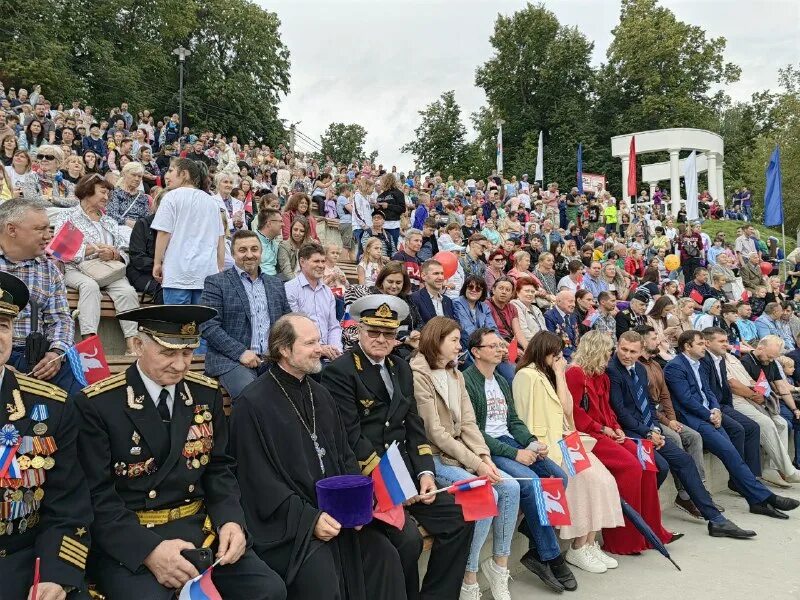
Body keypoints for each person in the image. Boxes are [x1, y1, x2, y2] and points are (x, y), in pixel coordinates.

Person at [74, 305, 286, 599]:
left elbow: (219, 470)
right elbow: (96, 494)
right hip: (133, 539)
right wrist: (149, 551)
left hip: (200, 531)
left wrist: (231, 522)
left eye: (187, 353)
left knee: (269, 589)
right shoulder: (99, 403)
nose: (180, 365)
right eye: (167, 352)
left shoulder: (205, 393)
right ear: (137, 345)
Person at [230, 314, 405, 599]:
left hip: (338, 515)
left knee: (384, 556)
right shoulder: (252, 404)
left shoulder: (321, 395)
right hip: (292, 525)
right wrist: (310, 520)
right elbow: (258, 482)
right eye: (310, 343)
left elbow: (344, 455)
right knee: (322, 577)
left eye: (319, 341)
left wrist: (357, 506)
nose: (320, 349)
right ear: (284, 350)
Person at [322, 296, 474, 600]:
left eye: (388, 333)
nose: (381, 339)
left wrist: (426, 474)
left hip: (405, 475)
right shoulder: (340, 372)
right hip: (372, 481)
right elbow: (351, 438)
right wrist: (393, 485)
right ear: (360, 331)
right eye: (373, 332)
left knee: (461, 517)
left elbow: (414, 426)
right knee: (408, 542)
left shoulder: (401, 368)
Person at [463, 328, 585, 592]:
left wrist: (530, 442)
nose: (500, 348)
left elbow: (513, 421)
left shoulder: (500, 380)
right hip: (490, 449)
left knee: (558, 477)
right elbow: (475, 432)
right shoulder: (467, 381)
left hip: (512, 441)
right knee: (531, 483)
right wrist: (516, 453)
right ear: (476, 352)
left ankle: (535, 537)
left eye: (501, 344)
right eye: (493, 345)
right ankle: (550, 555)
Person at [0, 272, 94, 599]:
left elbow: (68, 507)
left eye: (3, 325)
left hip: (25, 563)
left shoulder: (51, 407)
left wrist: (56, 574)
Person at [607, 331, 754, 537]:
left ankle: (716, 520)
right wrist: (648, 432)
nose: (627, 355)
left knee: (684, 461)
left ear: (640, 351)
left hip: (649, 430)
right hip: (630, 432)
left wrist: (655, 428)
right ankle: (639, 519)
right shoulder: (612, 370)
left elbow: (648, 403)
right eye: (623, 349)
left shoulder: (640, 369)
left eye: (633, 351)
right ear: (617, 346)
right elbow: (620, 411)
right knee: (661, 466)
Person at [513, 330, 625, 573]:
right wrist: (533, 444)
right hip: (547, 446)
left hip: (566, 440)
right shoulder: (526, 376)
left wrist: (559, 375)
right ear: (544, 351)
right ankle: (577, 546)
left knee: (605, 480)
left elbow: (567, 412)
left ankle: (589, 542)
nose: (560, 358)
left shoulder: (551, 374)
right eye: (556, 355)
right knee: (588, 481)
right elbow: (522, 416)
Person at [664, 330, 799, 519]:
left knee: (733, 455)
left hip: (710, 415)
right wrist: (709, 414)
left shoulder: (697, 364)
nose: (704, 347)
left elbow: (708, 392)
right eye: (700, 344)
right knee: (730, 453)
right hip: (692, 419)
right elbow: (685, 399)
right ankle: (764, 497)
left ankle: (757, 501)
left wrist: (716, 410)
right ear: (687, 346)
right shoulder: (675, 367)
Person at [565, 331, 676, 554]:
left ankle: (650, 532)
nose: (612, 355)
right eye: (609, 351)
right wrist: (604, 428)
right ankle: (623, 540)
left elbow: (607, 409)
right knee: (631, 467)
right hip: (588, 435)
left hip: (606, 432)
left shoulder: (600, 375)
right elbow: (574, 414)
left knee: (647, 462)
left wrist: (615, 427)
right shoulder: (576, 374)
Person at [0, 198, 83, 394]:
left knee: (81, 400)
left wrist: (56, 354)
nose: (49, 236)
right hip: (3, 350)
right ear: (12, 230)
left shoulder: (49, 270)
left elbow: (61, 319)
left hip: (36, 356)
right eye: (41, 229)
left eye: (49, 229)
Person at [52, 174, 141, 354]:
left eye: (108, 194)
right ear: (87, 190)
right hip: (76, 269)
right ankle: (89, 344)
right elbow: (61, 252)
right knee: (90, 287)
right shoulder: (69, 217)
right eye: (103, 192)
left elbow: (125, 251)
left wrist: (114, 254)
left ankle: (132, 345)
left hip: (107, 271)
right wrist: (93, 250)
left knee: (128, 292)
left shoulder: (109, 221)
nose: (106, 198)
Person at [200, 230, 290, 399]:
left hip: (272, 360)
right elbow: (208, 326)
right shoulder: (216, 282)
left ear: (261, 252)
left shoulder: (275, 284)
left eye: (254, 249)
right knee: (253, 395)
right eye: (243, 250)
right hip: (231, 360)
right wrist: (240, 353)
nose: (250, 255)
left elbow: (287, 322)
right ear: (233, 254)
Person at [724, 338, 800, 486]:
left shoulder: (771, 362)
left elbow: (781, 387)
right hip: (744, 399)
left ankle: (772, 469)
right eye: (769, 356)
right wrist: (755, 395)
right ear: (760, 348)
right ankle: (789, 471)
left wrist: (795, 409)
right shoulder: (746, 360)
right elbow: (736, 385)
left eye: (774, 357)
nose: (770, 360)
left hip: (761, 399)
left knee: (782, 423)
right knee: (768, 423)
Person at [152, 158, 224, 311]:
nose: (166, 175)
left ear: (184, 174)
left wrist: (157, 262)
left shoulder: (171, 197)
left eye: (171, 170)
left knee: (178, 328)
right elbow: (220, 239)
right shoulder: (212, 202)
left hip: (177, 274)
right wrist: (219, 268)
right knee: (202, 328)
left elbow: (164, 233)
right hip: (206, 274)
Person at [284, 242, 342, 361]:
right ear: (302, 262)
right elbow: (294, 329)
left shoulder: (327, 292)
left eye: (323, 261)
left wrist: (336, 349)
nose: (321, 265)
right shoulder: (290, 289)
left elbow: (334, 326)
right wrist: (319, 348)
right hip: (303, 355)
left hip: (327, 354)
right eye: (316, 261)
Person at [107, 161, 150, 228]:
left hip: (138, 232)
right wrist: (127, 222)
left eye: (139, 176)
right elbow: (111, 214)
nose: (137, 179)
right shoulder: (115, 193)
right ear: (124, 174)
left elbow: (146, 218)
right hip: (119, 231)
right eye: (133, 175)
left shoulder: (143, 197)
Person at [410, 259, 454, 324]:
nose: (441, 277)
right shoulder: (414, 299)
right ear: (423, 276)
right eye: (436, 273)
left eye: (442, 273)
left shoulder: (448, 301)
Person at [544, 290, 578, 361]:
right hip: (561, 356)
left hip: (576, 353)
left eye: (574, 302)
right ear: (559, 301)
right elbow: (553, 342)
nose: (573, 305)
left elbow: (576, 338)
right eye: (570, 301)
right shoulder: (549, 316)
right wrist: (571, 354)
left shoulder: (573, 315)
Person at [511, 276, 547, 343]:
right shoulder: (514, 306)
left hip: (542, 344)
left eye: (532, 292)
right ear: (518, 292)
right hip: (529, 345)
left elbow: (544, 329)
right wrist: (542, 345)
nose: (530, 294)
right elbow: (524, 332)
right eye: (527, 291)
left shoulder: (536, 309)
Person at [277, 216, 311, 280]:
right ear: (291, 230)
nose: (297, 233)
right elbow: (287, 273)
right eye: (295, 229)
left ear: (305, 233)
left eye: (302, 231)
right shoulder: (284, 246)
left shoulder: (308, 246)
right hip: (290, 282)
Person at [255, 207, 283, 276]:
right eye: (280, 221)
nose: (283, 224)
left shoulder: (274, 243)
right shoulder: (252, 241)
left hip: (275, 279)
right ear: (269, 223)